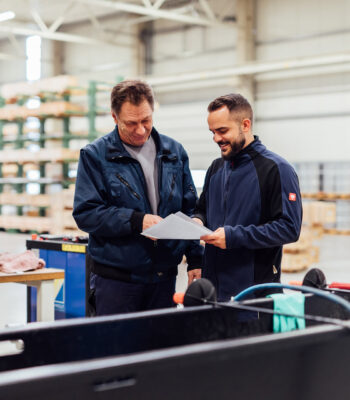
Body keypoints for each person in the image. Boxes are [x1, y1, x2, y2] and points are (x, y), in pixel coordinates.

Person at [73, 80, 203, 315]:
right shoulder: (95, 156)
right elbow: (86, 213)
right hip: (117, 282)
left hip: (164, 279)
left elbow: (188, 209)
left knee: (158, 349)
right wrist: (136, 220)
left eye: (146, 120)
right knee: (118, 350)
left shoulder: (174, 153)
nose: (141, 130)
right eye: (131, 123)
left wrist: (195, 258)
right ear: (114, 117)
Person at [193, 93, 302, 302]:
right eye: (213, 132)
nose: (216, 138)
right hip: (213, 291)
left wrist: (234, 237)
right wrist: (197, 220)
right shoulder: (215, 168)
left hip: (253, 295)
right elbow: (202, 208)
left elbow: (289, 228)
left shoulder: (277, 169)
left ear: (245, 124)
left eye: (222, 131)